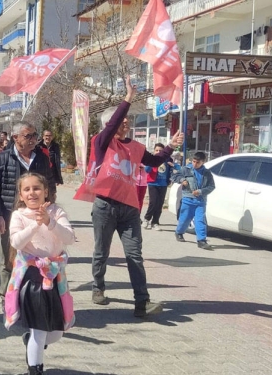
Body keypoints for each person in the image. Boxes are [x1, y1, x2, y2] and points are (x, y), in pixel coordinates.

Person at [76, 77, 184, 317]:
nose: (126, 123)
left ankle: (142, 303)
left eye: (127, 120)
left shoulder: (135, 147)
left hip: (129, 209)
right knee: (101, 251)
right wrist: (128, 98)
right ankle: (98, 287)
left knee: (134, 255)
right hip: (105, 206)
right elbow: (113, 123)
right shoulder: (101, 142)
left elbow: (154, 161)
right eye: (122, 120)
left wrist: (170, 146)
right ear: (110, 125)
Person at [4, 173, 76, 375]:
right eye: (26, 189)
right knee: (39, 329)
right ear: (21, 195)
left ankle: (31, 342)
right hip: (31, 277)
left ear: (46, 192)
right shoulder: (19, 215)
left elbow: (70, 238)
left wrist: (49, 221)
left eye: (36, 188)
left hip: (55, 277)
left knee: (56, 332)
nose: (32, 193)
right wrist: (36, 223)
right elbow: (16, 242)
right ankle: (35, 369)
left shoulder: (56, 211)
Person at [0, 122, 56, 309]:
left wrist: (51, 211)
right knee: (9, 259)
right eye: (28, 136)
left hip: (37, 217)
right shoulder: (2, 159)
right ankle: (7, 297)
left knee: (38, 257)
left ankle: (35, 296)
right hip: (10, 217)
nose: (33, 139)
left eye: (35, 135)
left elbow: (50, 186)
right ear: (15, 138)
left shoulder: (41, 158)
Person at [172, 152, 215, 250]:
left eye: (198, 162)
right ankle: (179, 232)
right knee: (185, 219)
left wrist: (200, 191)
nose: (195, 164)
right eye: (194, 161)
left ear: (203, 162)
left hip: (200, 201)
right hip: (187, 199)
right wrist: (182, 180)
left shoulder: (207, 173)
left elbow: (212, 186)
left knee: (200, 220)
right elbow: (175, 176)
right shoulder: (186, 169)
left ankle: (201, 240)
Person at [144, 143, 173, 230]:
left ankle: (155, 222)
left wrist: (171, 178)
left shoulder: (168, 160)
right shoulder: (152, 159)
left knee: (160, 204)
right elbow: (146, 170)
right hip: (153, 183)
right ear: (154, 151)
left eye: (160, 150)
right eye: (156, 150)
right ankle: (147, 219)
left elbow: (171, 170)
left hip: (163, 184)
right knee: (153, 202)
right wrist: (151, 163)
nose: (158, 152)